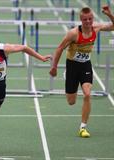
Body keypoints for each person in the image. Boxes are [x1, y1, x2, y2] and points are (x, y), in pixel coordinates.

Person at [49, 6, 114, 138]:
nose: (88, 22)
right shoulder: (73, 33)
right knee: (71, 101)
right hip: (72, 66)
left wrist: (109, 15)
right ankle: (67, 76)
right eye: (85, 20)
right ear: (81, 20)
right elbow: (60, 48)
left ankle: (83, 127)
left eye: (90, 19)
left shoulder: (96, 27)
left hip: (85, 66)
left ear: (93, 19)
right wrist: (54, 67)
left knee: (87, 94)